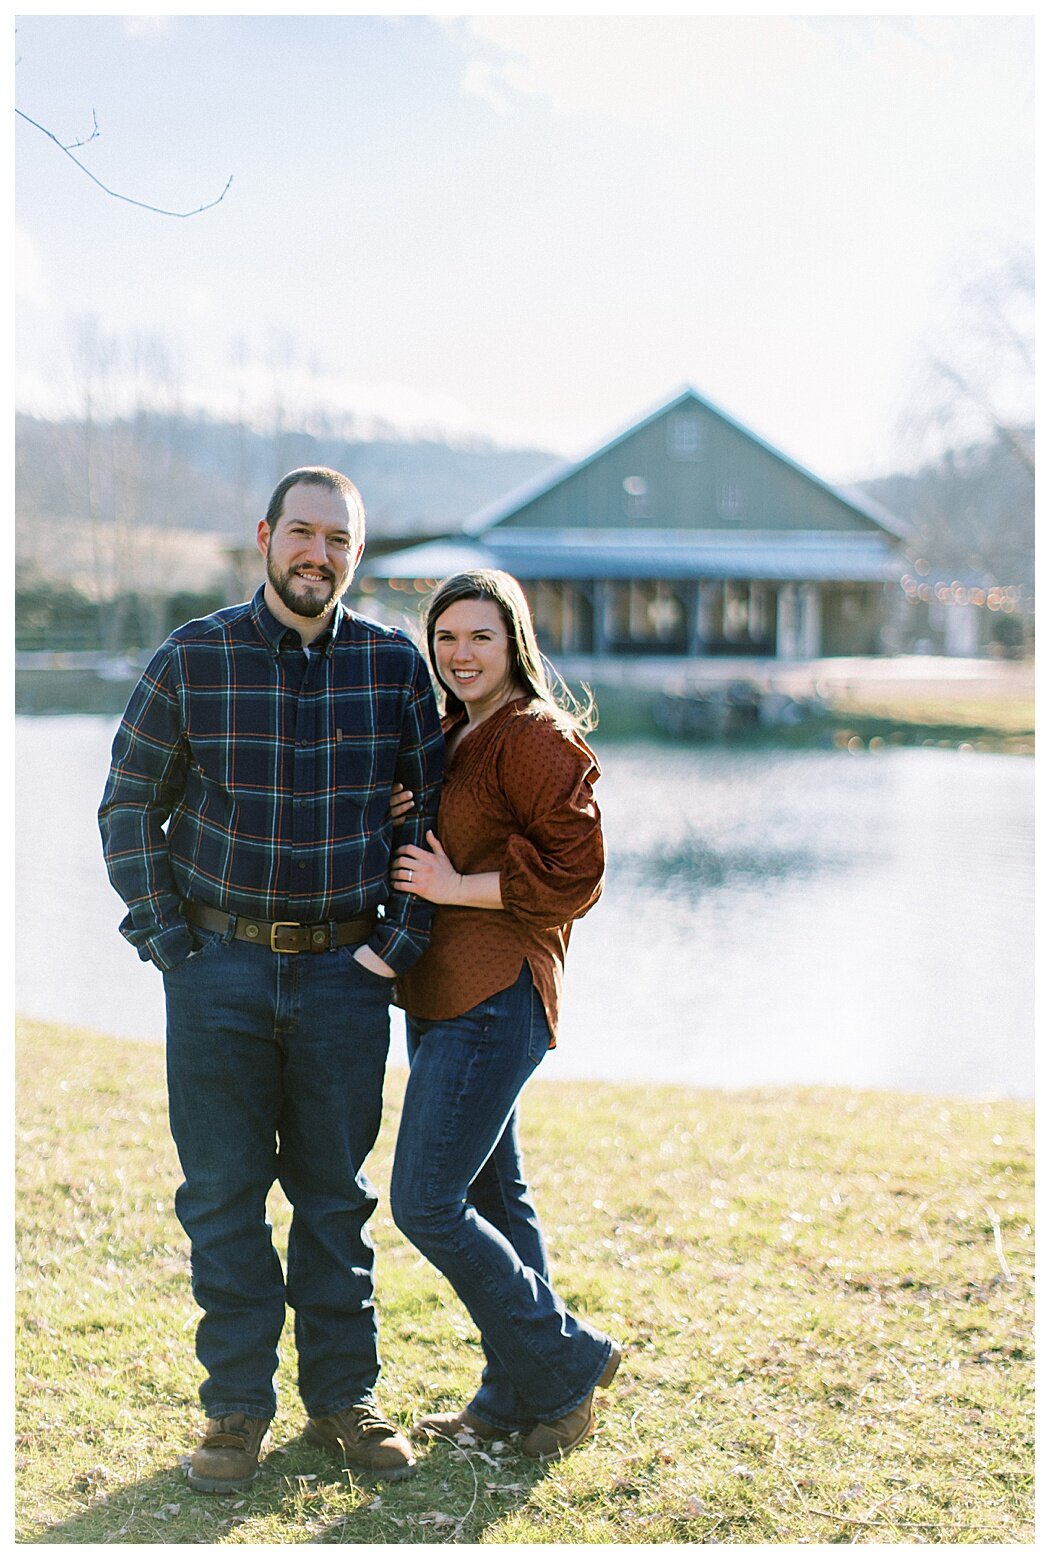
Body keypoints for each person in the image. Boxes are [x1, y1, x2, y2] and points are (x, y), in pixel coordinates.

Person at [99, 467, 444, 1492]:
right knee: (222, 1196)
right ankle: (235, 1412)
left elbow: (430, 820)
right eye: (304, 531)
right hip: (217, 970)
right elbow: (128, 806)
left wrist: (398, 945)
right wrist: (168, 940)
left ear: (357, 556)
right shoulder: (193, 657)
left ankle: (344, 1401)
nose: (319, 553)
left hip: (346, 974)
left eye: (340, 539)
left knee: (336, 1198)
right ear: (265, 536)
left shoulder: (390, 668)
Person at [388, 569, 621, 1460]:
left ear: (512, 640)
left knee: (426, 1201)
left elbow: (576, 873)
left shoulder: (534, 734)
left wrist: (455, 886)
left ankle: (568, 1359)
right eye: (446, 637)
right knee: (493, 1195)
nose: (460, 653)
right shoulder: (454, 731)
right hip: (444, 994)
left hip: (497, 995)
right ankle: (517, 1396)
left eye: (479, 635)